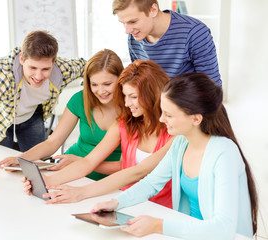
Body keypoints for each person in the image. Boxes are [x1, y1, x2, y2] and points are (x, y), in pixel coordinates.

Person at [92, 72, 258, 239]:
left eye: (169, 115)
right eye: (162, 112)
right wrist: (115, 203)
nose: (162, 119)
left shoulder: (225, 152)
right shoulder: (180, 144)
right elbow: (151, 183)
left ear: (196, 119)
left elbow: (223, 228)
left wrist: (158, 226)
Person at [24, 60, 174, 209]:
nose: (127, 103)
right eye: (125, 96)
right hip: (126, 202)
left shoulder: (175, 133)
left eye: (133, 97)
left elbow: (138, 172)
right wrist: (47, 180)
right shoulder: (125, 124)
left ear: (153, 94)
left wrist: (81, 192)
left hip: (160, 208)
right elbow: (89, 162)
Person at [0, 30, 86, 196]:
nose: (38, 76)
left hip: (32, 117)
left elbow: (89, 66)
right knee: (3, 171)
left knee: (35, 171)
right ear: (21, 59)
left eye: (45, 69)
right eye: (32, 67)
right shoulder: (3, 73)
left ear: (54, 63)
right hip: (3, 121)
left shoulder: (63, 69)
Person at [0, 49, 123, 181]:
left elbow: (125, 166)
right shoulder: (80, 99)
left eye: (107, 84)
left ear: (121, 79)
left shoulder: (133, 108)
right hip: (70, 168)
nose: (101, 91)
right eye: (94, 84)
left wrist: (79, 161)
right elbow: (53, 142)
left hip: (109, 177)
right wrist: (21, 159)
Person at [112, 0, 222, 86]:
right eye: (123, 23)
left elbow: (212, 88)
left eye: (133, 21)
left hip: (187, 110)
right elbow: (139, 83)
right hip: (154, 110)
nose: (127, 31)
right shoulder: (134, 37)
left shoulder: (194, 32)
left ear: (153, 10)